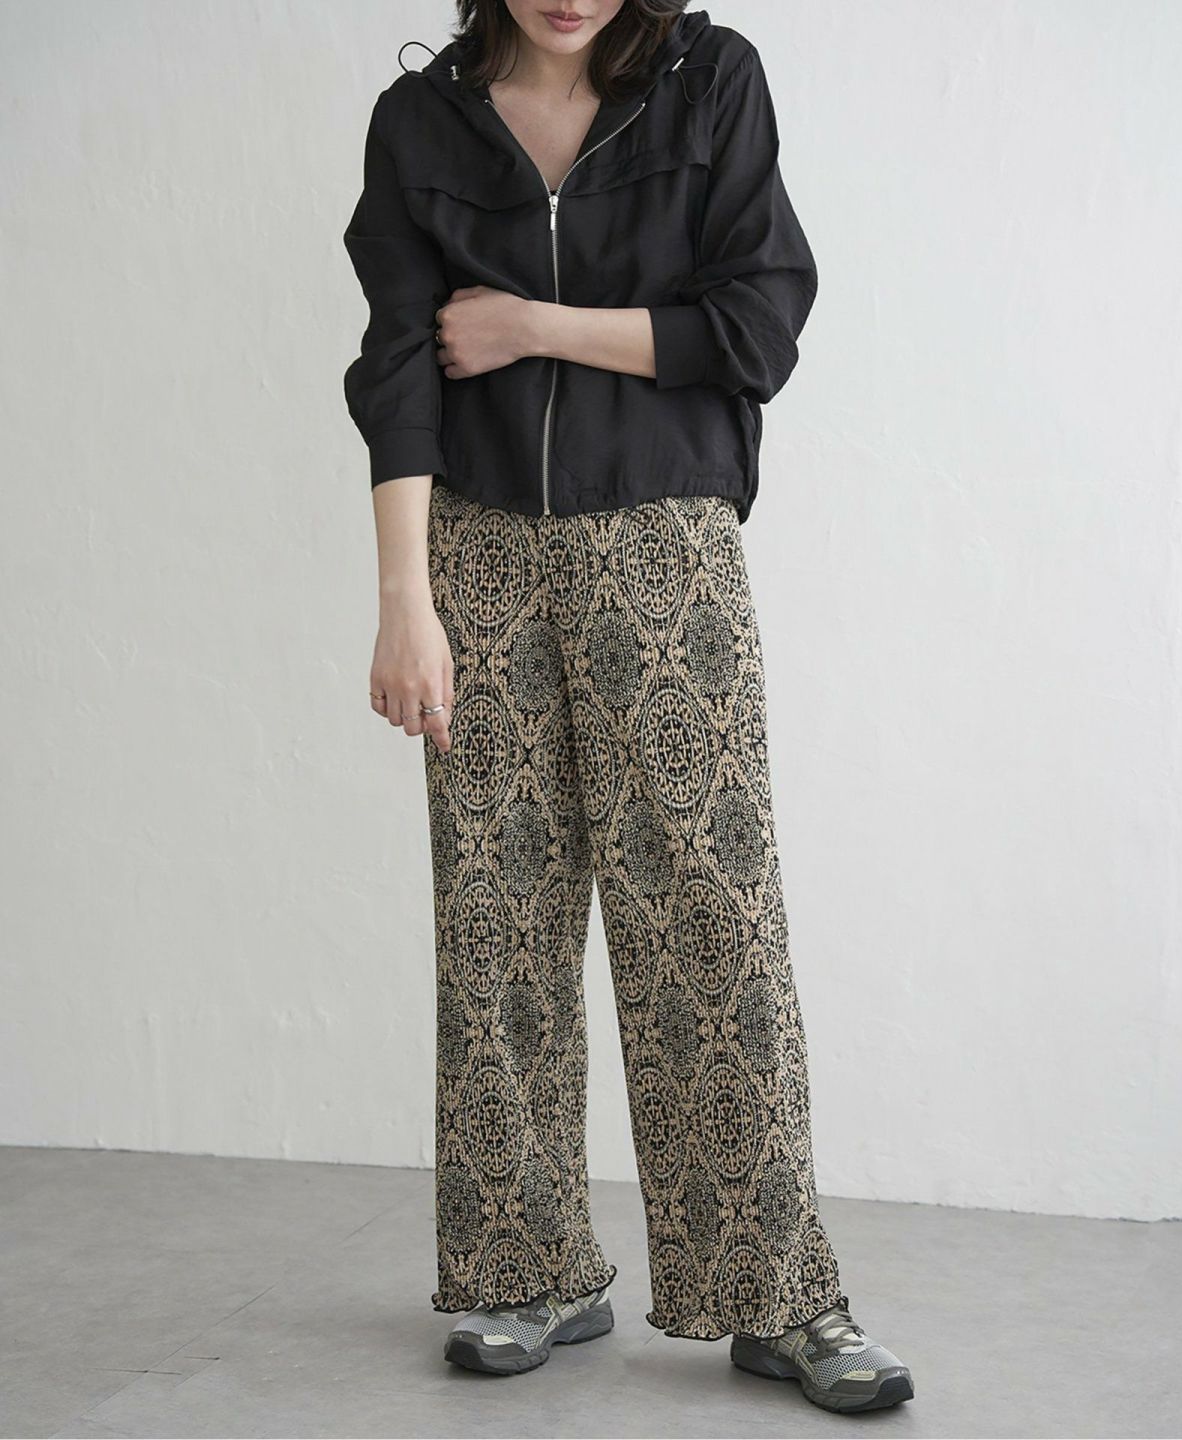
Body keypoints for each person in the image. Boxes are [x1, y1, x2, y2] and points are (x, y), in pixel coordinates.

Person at [341, 0, 913, 1415]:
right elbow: (399, 364)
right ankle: (524, 1265)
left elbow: (757, 325)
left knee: (710, 913)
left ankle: (777, 1291)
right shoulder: (420, 122)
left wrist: (532, 325)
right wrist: (405, 599)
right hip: (475, 551)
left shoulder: (710, 83)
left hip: (663, 542)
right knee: (497, 917)